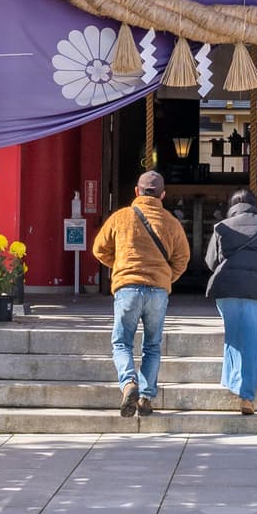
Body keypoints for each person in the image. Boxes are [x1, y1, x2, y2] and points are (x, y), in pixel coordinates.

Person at [89, 171, 190, 420]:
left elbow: (99, 249)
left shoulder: (120, 218)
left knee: (122, 342)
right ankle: (145, 397)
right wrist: (166, 277)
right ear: (163, 195)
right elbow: (182, 258)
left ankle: (128, 383)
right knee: (152, 346)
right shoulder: (171, 222)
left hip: (128, 288)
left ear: (137, 191)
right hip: (158, 291)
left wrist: (121, 266)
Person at [206, 189, 257, 416]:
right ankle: (247, 396)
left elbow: (210, 261)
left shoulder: (221, 227)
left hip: (227, 290)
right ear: (254, 205)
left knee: (234, 337)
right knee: (253, 341)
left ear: (230, 206)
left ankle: (233, 381)